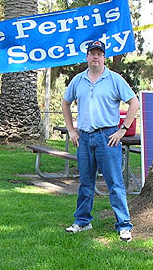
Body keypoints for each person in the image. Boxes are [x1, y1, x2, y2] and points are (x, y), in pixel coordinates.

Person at [61, 40, 139, 242]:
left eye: (99, 54)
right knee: (85, 183)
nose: (95, 57)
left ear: (104, 58)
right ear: (87, 57)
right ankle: (83, 221)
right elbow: (65, 102)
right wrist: (71, 130)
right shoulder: (78, 80)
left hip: (108, 138)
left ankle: (124, 226)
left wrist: (122, 130)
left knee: (115, 183)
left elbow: (134, 103)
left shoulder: (114, 80)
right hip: (84, 138)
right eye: (92, 53)